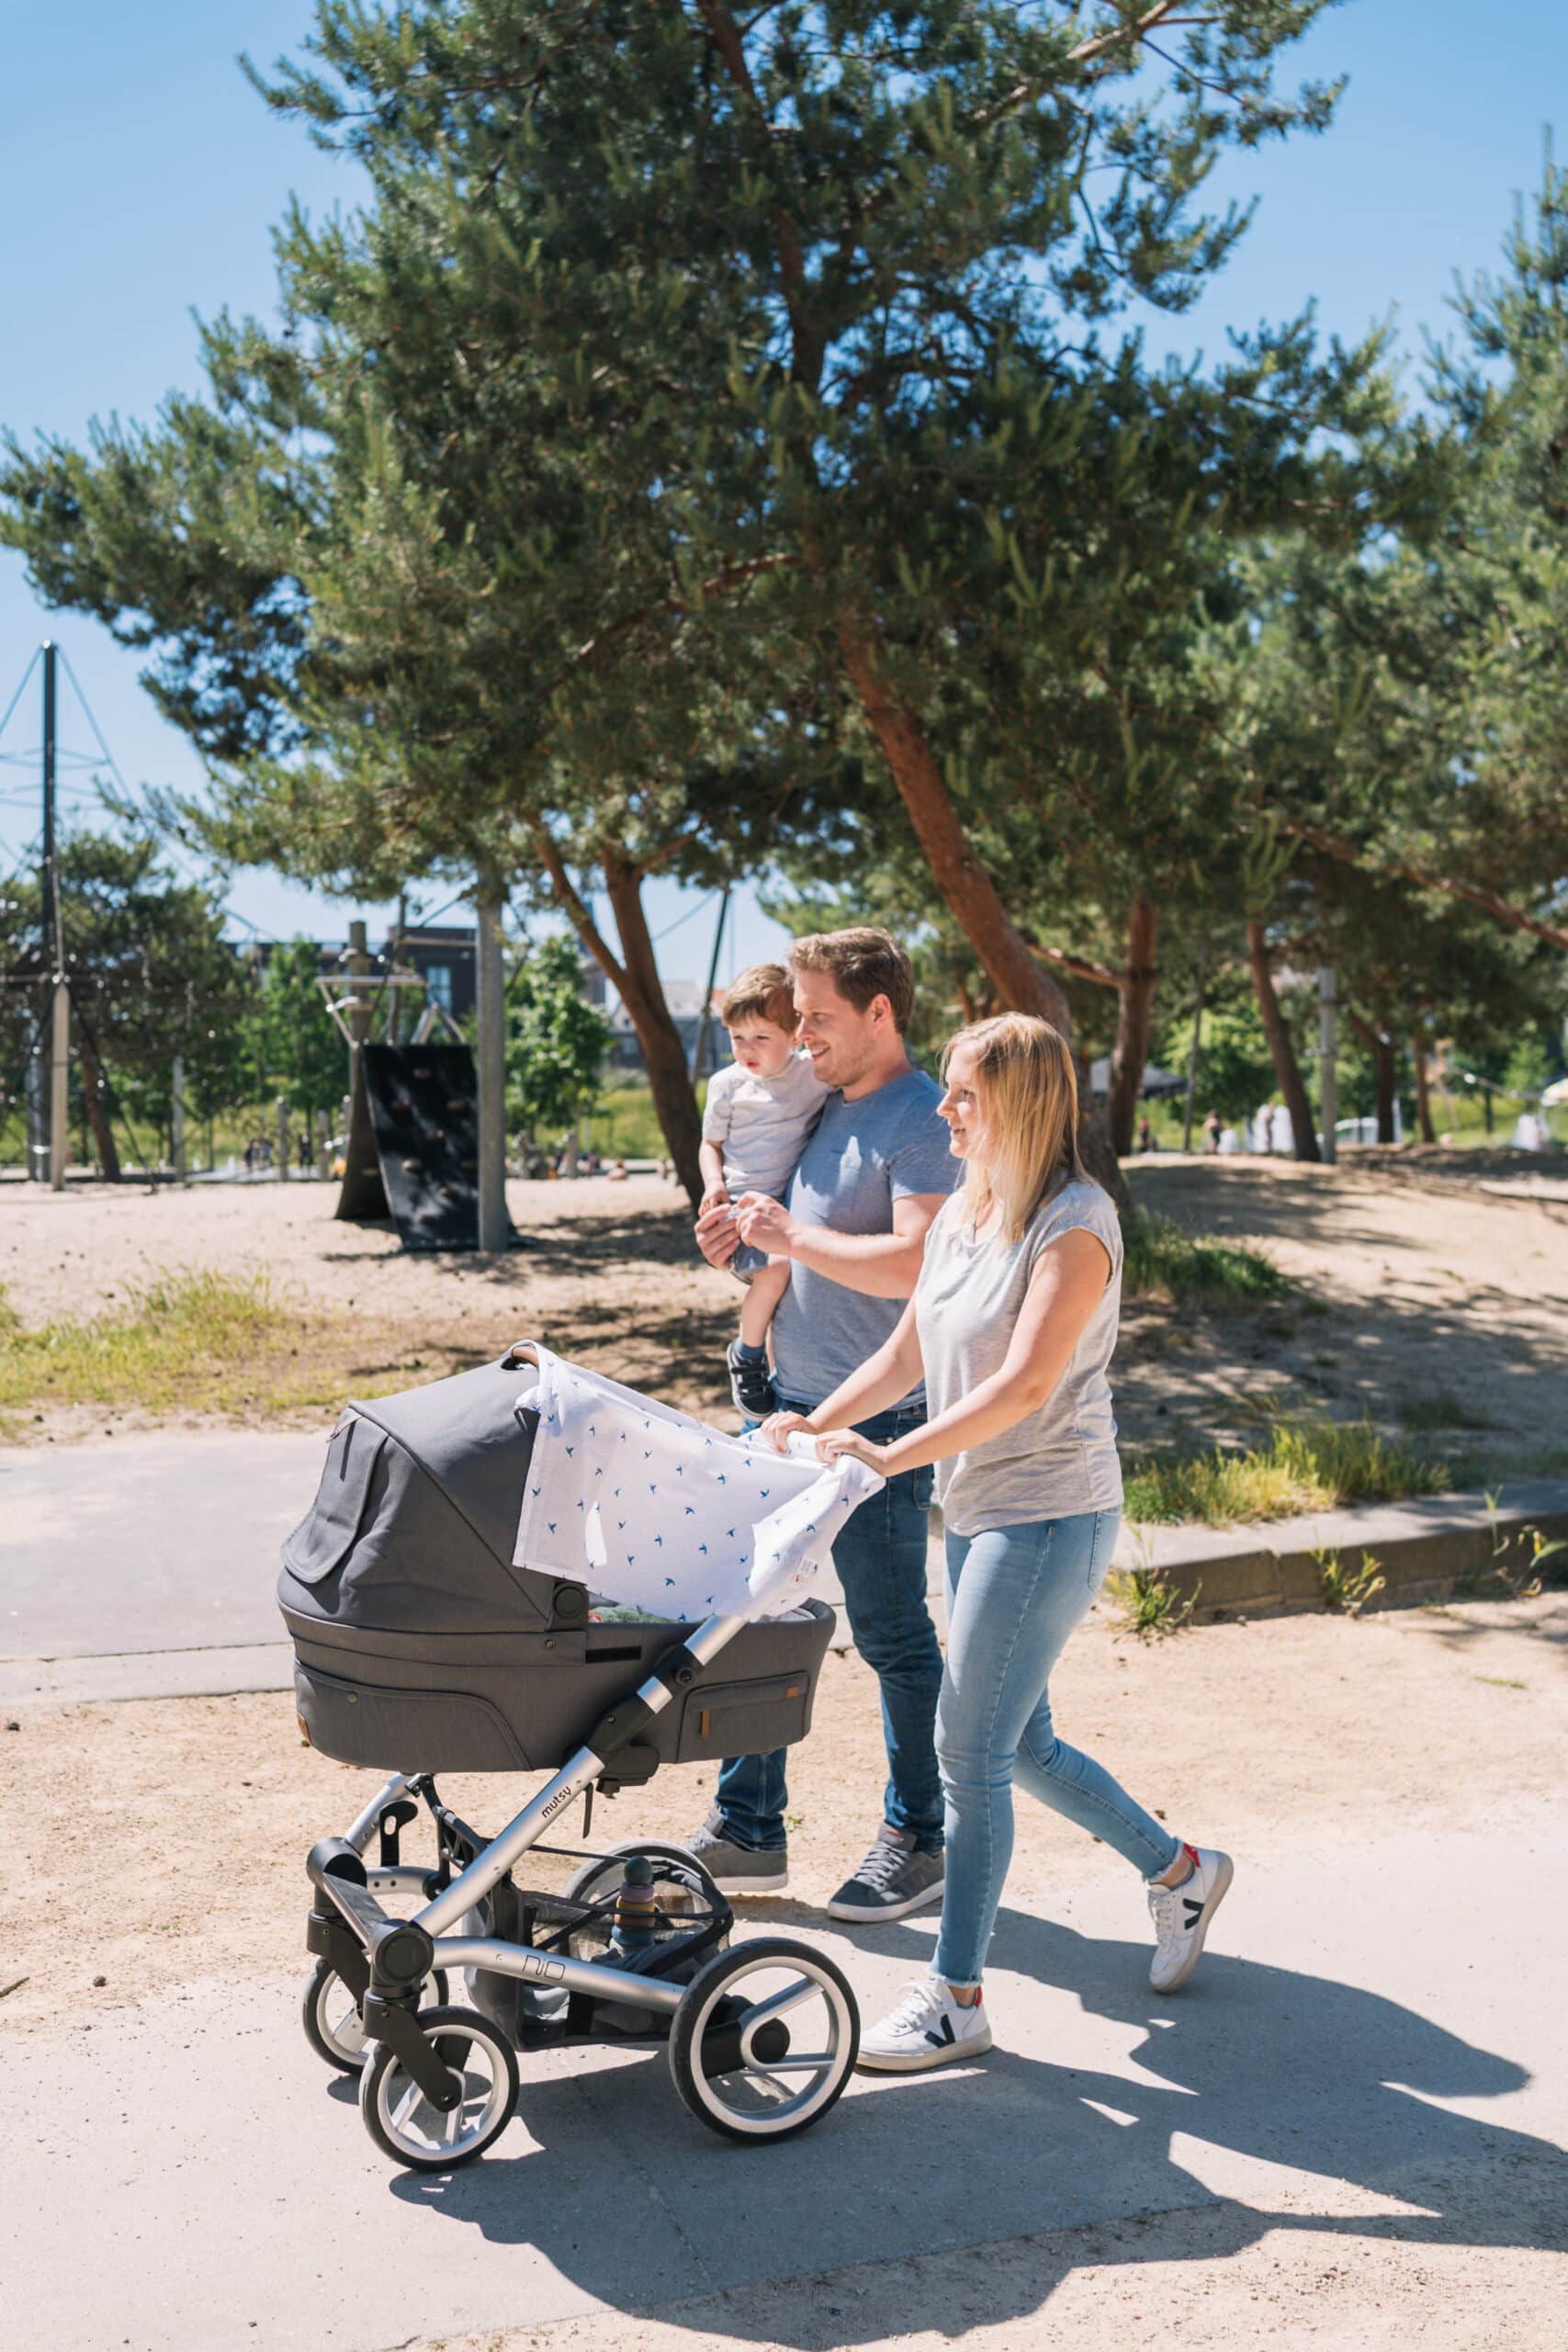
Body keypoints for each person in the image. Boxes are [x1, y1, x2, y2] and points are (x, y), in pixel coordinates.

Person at [769, 1013, 1233, 2070]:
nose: (943, 1109)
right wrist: (812, 1423)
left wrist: (887, 1458)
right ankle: (1183, 1873)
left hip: (1051, 1512)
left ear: (1019, 1102)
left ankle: (956, 1998)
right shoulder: (967, 1213)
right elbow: (905, 1354)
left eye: (963, 1093)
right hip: (975, 1508)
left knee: (968, 1751)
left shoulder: (1075, 1224)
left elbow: (1024, 1387)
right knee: (1019, 1745)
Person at [690, 928, 958, 1919]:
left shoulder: (920, 1116)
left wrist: (791, 1233)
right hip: (791, 1413)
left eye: (816, 1017)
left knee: (891, 1635)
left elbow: (915, 1266)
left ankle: (920, 1836)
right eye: (794, 1018)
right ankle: (748, 1832)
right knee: (754, 1615)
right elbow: (799, 1254)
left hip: (878, 1422)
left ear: (879, 1012)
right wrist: (738, 1250)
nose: (799, 1035)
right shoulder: (824, 1105)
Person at [698, 963, 829, 1419]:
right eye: (737, 1037)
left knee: (791, 1282)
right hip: (742, 1208)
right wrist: (714, 1183)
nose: (746, 1049)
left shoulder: (812, 1075)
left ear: (794, 1035)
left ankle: (778, 1374)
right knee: (776, 1273)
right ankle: (746, 1354)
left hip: (788, 1206)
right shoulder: (727, 1085)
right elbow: (710, 1144)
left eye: (760, 1037)